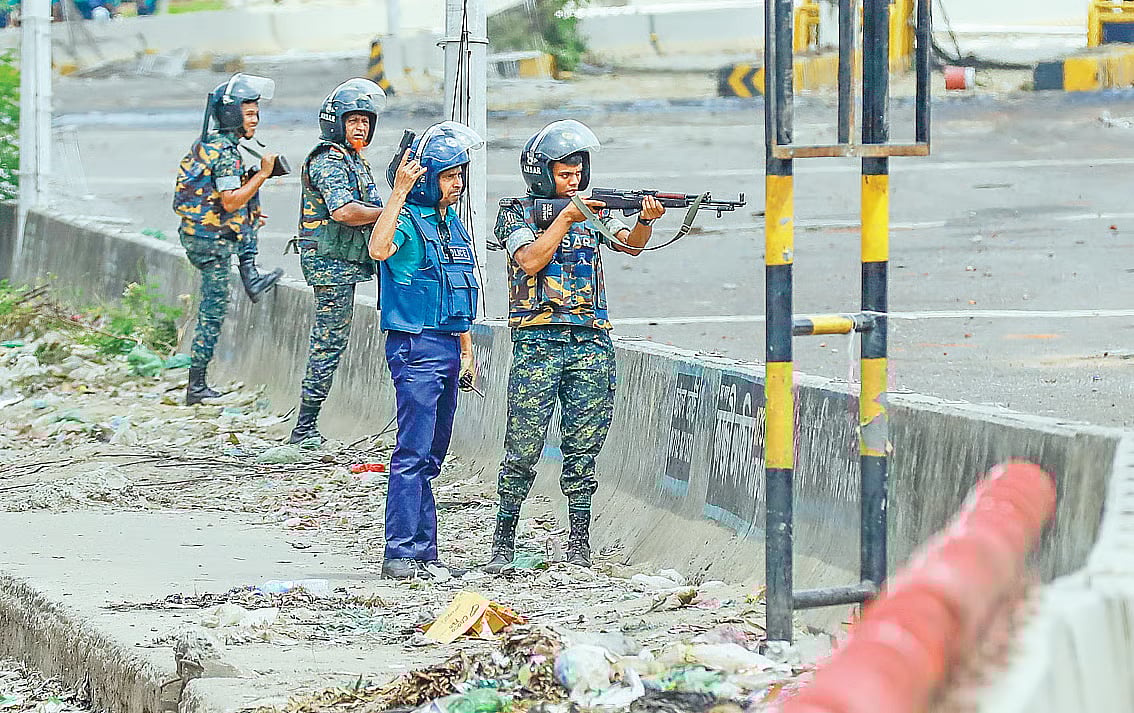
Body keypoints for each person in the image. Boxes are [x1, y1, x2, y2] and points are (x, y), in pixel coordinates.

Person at [485, 119, 666, 571]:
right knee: (523, 445)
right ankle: (504, 541)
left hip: (589, 338)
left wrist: (644, 218)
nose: (575, 182)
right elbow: (529, 260)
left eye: (578, 173)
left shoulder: (594, 212)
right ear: (542, 174)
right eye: (564, 174)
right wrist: (567, 216)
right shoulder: (515, 211)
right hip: (537, 340)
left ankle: (579, 541)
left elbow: (630, 245)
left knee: (584, 445)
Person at [368, 121, 483, 580]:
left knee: (433, 456)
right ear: (426, 177)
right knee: (412, 453)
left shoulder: (450, 222)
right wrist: (397, 191)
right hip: (416, 347)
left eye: (460, 176)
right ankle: (399, 552)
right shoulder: (407, 224)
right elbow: (378, 249)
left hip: (448, 348)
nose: (457, 185)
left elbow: (458, 293)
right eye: (450, 176)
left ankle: (425, 552)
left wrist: (467, 351)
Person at [173, 73, 284, 406]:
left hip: (199, 234)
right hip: (212, 242)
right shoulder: (226, 153)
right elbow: (230, 200)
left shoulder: (209, 143)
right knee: (213, 310)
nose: (255, 120)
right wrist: (263, 174)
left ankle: (251, 275)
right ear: (234, 114)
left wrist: (252, 198)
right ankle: (197, 386)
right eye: (249, 114)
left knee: (249, 191)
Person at [288, 78, 387, 444]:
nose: (360, 128)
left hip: (348, 259)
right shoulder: (329, 160)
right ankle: (304, 428)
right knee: (328, 342)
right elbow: (344, 211)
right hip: (332, 264)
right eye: (353, 121)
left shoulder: (352, 159)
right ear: (336, 123)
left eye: (365, 122)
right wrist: (392, 211)